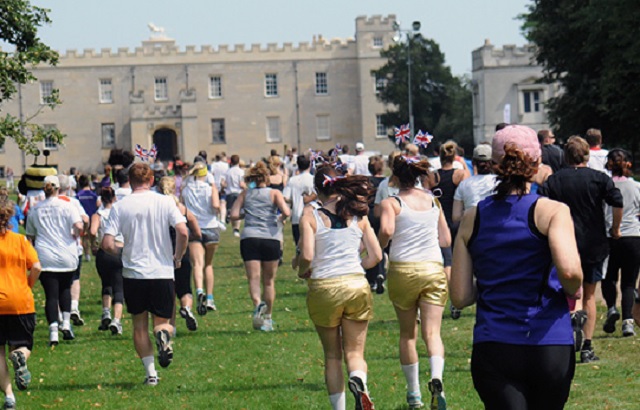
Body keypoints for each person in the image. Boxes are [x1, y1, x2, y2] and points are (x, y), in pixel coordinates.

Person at [451, 124, 583, 409]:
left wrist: (496, 279)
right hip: (548, 342)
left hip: (494, 344)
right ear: (536, 164)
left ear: (497, 165)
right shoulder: (553, 211)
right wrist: (573, 290)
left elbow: (460, 297)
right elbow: (571, 273)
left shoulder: (473, 218)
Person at [297, 164, 382, 410]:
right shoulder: (359, 214)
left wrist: (303, 272)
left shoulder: (310, 216)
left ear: (317, 189)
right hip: (356, 283)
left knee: (332, 355)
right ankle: (359, 379)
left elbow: (307, 255)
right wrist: (357, 265)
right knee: (355, 353)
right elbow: (376, 256)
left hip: (324, 286)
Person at [102, 163, 188, 386]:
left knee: (139, 325)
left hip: (134, 272)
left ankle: (151, 374)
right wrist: (177, 256)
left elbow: (106, 242)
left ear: (130, 181)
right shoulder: (165, 201)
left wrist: (121, 252)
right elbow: (183, 230)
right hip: (162, 270)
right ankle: (163, 335)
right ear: (151, 181)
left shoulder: (121, 206)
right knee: (162, 322)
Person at [540, 136, 623, 363]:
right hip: (594, 242)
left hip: (564, 242)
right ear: (586, 155)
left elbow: (542, 206)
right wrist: (615, 228)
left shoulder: (554, 180)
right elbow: (617, 201)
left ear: (566, 156)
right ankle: (587, 346)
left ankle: (567, 335)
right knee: (589, 294)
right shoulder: (599, 179)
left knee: (567, 292)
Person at [378, 155, 451, 409]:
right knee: (433, 332)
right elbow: (445, 240)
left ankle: (414, 394)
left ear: (395, 177)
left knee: (408, 334)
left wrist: (380, 246)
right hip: (433, 267)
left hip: (404, 269)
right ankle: (436, 378)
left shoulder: (392, 202)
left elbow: (387, 231)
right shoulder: (433, 200)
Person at [230, 162, 290, 332]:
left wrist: (246, 213)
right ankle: (268, 318)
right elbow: (286, 212)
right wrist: (277, 219)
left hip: (250, 237)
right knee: (269, 281)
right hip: (270, 237)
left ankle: (258, 304)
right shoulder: (274, 193)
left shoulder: (245, 194)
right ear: (266, 178)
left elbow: (233, 214)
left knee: (253, 278)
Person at [25, 175, 83, 346]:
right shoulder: (68, 206)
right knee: (65, 288)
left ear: (44, 189)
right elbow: (79, 226)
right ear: (59, 188)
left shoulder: (35, 209)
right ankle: (66, 322)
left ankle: (53, 332)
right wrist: (75, 234)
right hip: (67, 253)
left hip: (45, 255)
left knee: (51, 295)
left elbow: (30, 235)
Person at [0, 197, 41, 410]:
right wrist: (27, 285)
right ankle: (20, 355)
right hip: (20, 301)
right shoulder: (21, 240)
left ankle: (9, 397)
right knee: (24, 344)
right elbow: (36, 267)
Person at [601, 149, 640, 337]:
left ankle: (611, 308)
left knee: (609, 277)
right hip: (633, 236)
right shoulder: (636, 187)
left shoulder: (604, 186)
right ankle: (628, 322)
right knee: (629, 282)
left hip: (609, 236)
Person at [158, 176, 201, 332]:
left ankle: (172, 326)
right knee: (185, 289)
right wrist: (194, 237)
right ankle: (187, 308)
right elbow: (197, 231)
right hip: (182, 252)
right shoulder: (182, 209)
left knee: (169, 292)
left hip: (163, 253)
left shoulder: (158, 208)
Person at [181, 163, 221, 315]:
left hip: (194, 228)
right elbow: (216, 205)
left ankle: (199, 291)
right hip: (211, 227)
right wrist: (216, 210)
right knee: (208, 265)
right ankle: (210, 298)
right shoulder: (211, 188)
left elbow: (182, 207)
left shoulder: (186, 189)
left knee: (197, 264)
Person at [90, 187, 125, 335]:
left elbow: (92, 231)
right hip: (118, 249)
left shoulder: (98, 214)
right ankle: (116, 320)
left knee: (106, 283)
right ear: (114, 198)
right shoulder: (120, 212)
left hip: (103, 252)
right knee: (119, 286)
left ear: (101, 199)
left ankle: (106, 312)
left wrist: (94, 243)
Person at [451, 144, 497, 224]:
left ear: (473, 163)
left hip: (471, 230)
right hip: (494, 228)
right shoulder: (499, 183)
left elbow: (456, 217)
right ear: (492, 163)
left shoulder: (463, 185)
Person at [282, 154, 315, 246]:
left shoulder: (292, 180)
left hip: (297, 216)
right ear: (310, 165)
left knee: (299, 246)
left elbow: (286, 197)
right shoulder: (314, 179)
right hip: (312, 215)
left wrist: (294, 200)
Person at [365, 155, 387, 293]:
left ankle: (372, 277)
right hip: (384, 214)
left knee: (370, 246)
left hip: (370, 214)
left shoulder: (366, 182)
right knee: (383, 246)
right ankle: (381, 272)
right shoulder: (387, 182)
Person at [223, 154, 246, 237]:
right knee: (238, 211)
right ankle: (236, 229)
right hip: (238, 193)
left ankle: (233, 227)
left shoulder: (227, 172)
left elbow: (224, 183)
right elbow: (241, 184)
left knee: (231, 210)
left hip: (229, 193)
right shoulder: (241, 172)